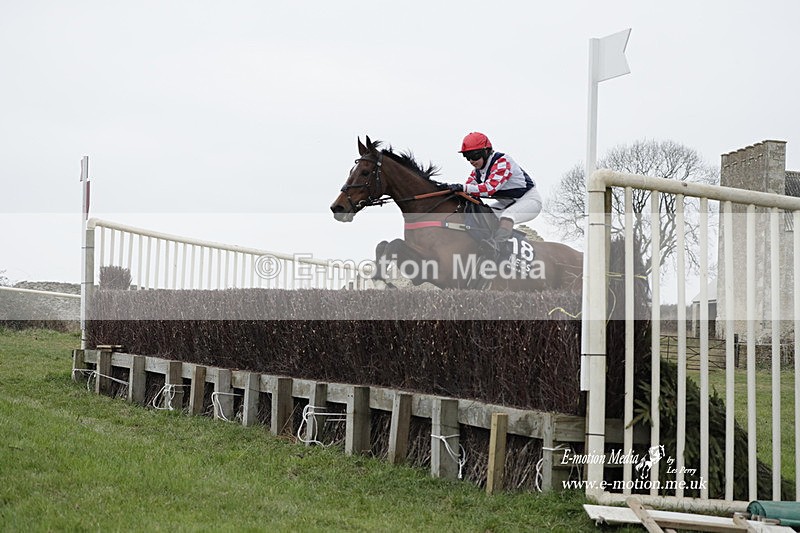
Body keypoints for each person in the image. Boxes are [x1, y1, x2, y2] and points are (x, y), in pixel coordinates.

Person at [448, 132, 542, 251]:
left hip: (529, 200)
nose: (471, 160)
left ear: (486, 152)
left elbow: (489, 189)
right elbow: (468, 189)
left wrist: (463, 187)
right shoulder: (477, 172)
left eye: (474, 155)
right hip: (507, 203)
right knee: (485, 216)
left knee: (507, 216)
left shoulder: (503, 162)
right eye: (467, 156)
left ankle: (496, 247)